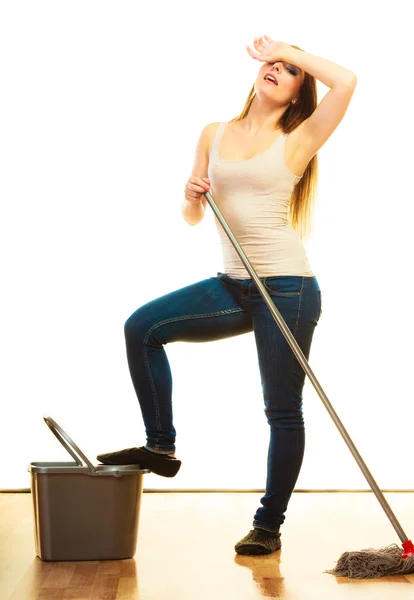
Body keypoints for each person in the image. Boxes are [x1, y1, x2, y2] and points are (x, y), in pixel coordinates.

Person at [97, 34, 357, 555]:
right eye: (272, 65)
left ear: (298, 92)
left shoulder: (300, 137)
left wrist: (285, 48)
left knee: (282, 410)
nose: (276, 70)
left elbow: (347, 81)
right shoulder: (214, 132)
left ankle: (267, 525)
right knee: (142, 328)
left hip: (288, 288)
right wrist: (190, 195)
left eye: (290, 71)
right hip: (234, 285)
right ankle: (161, 445)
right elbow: (193, 216)